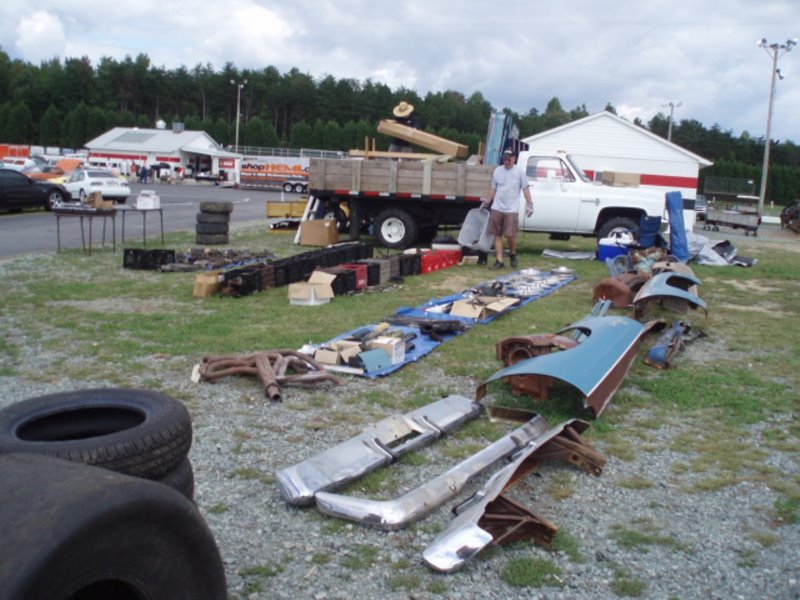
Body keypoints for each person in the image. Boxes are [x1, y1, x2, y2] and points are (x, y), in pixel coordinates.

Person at [484, 149, 533, 269]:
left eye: (509, 158)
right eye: (505, 158)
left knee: (510, 235)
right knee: (497, 235)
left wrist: (530, 204)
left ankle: (512, 253)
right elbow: (493, 189)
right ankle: (499, 261)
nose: (506, 160)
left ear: (514, 159)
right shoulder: (497, 171)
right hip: (497, 207)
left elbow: (525, 189)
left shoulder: (519, 172)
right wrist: (487, 201)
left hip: (511, 209)